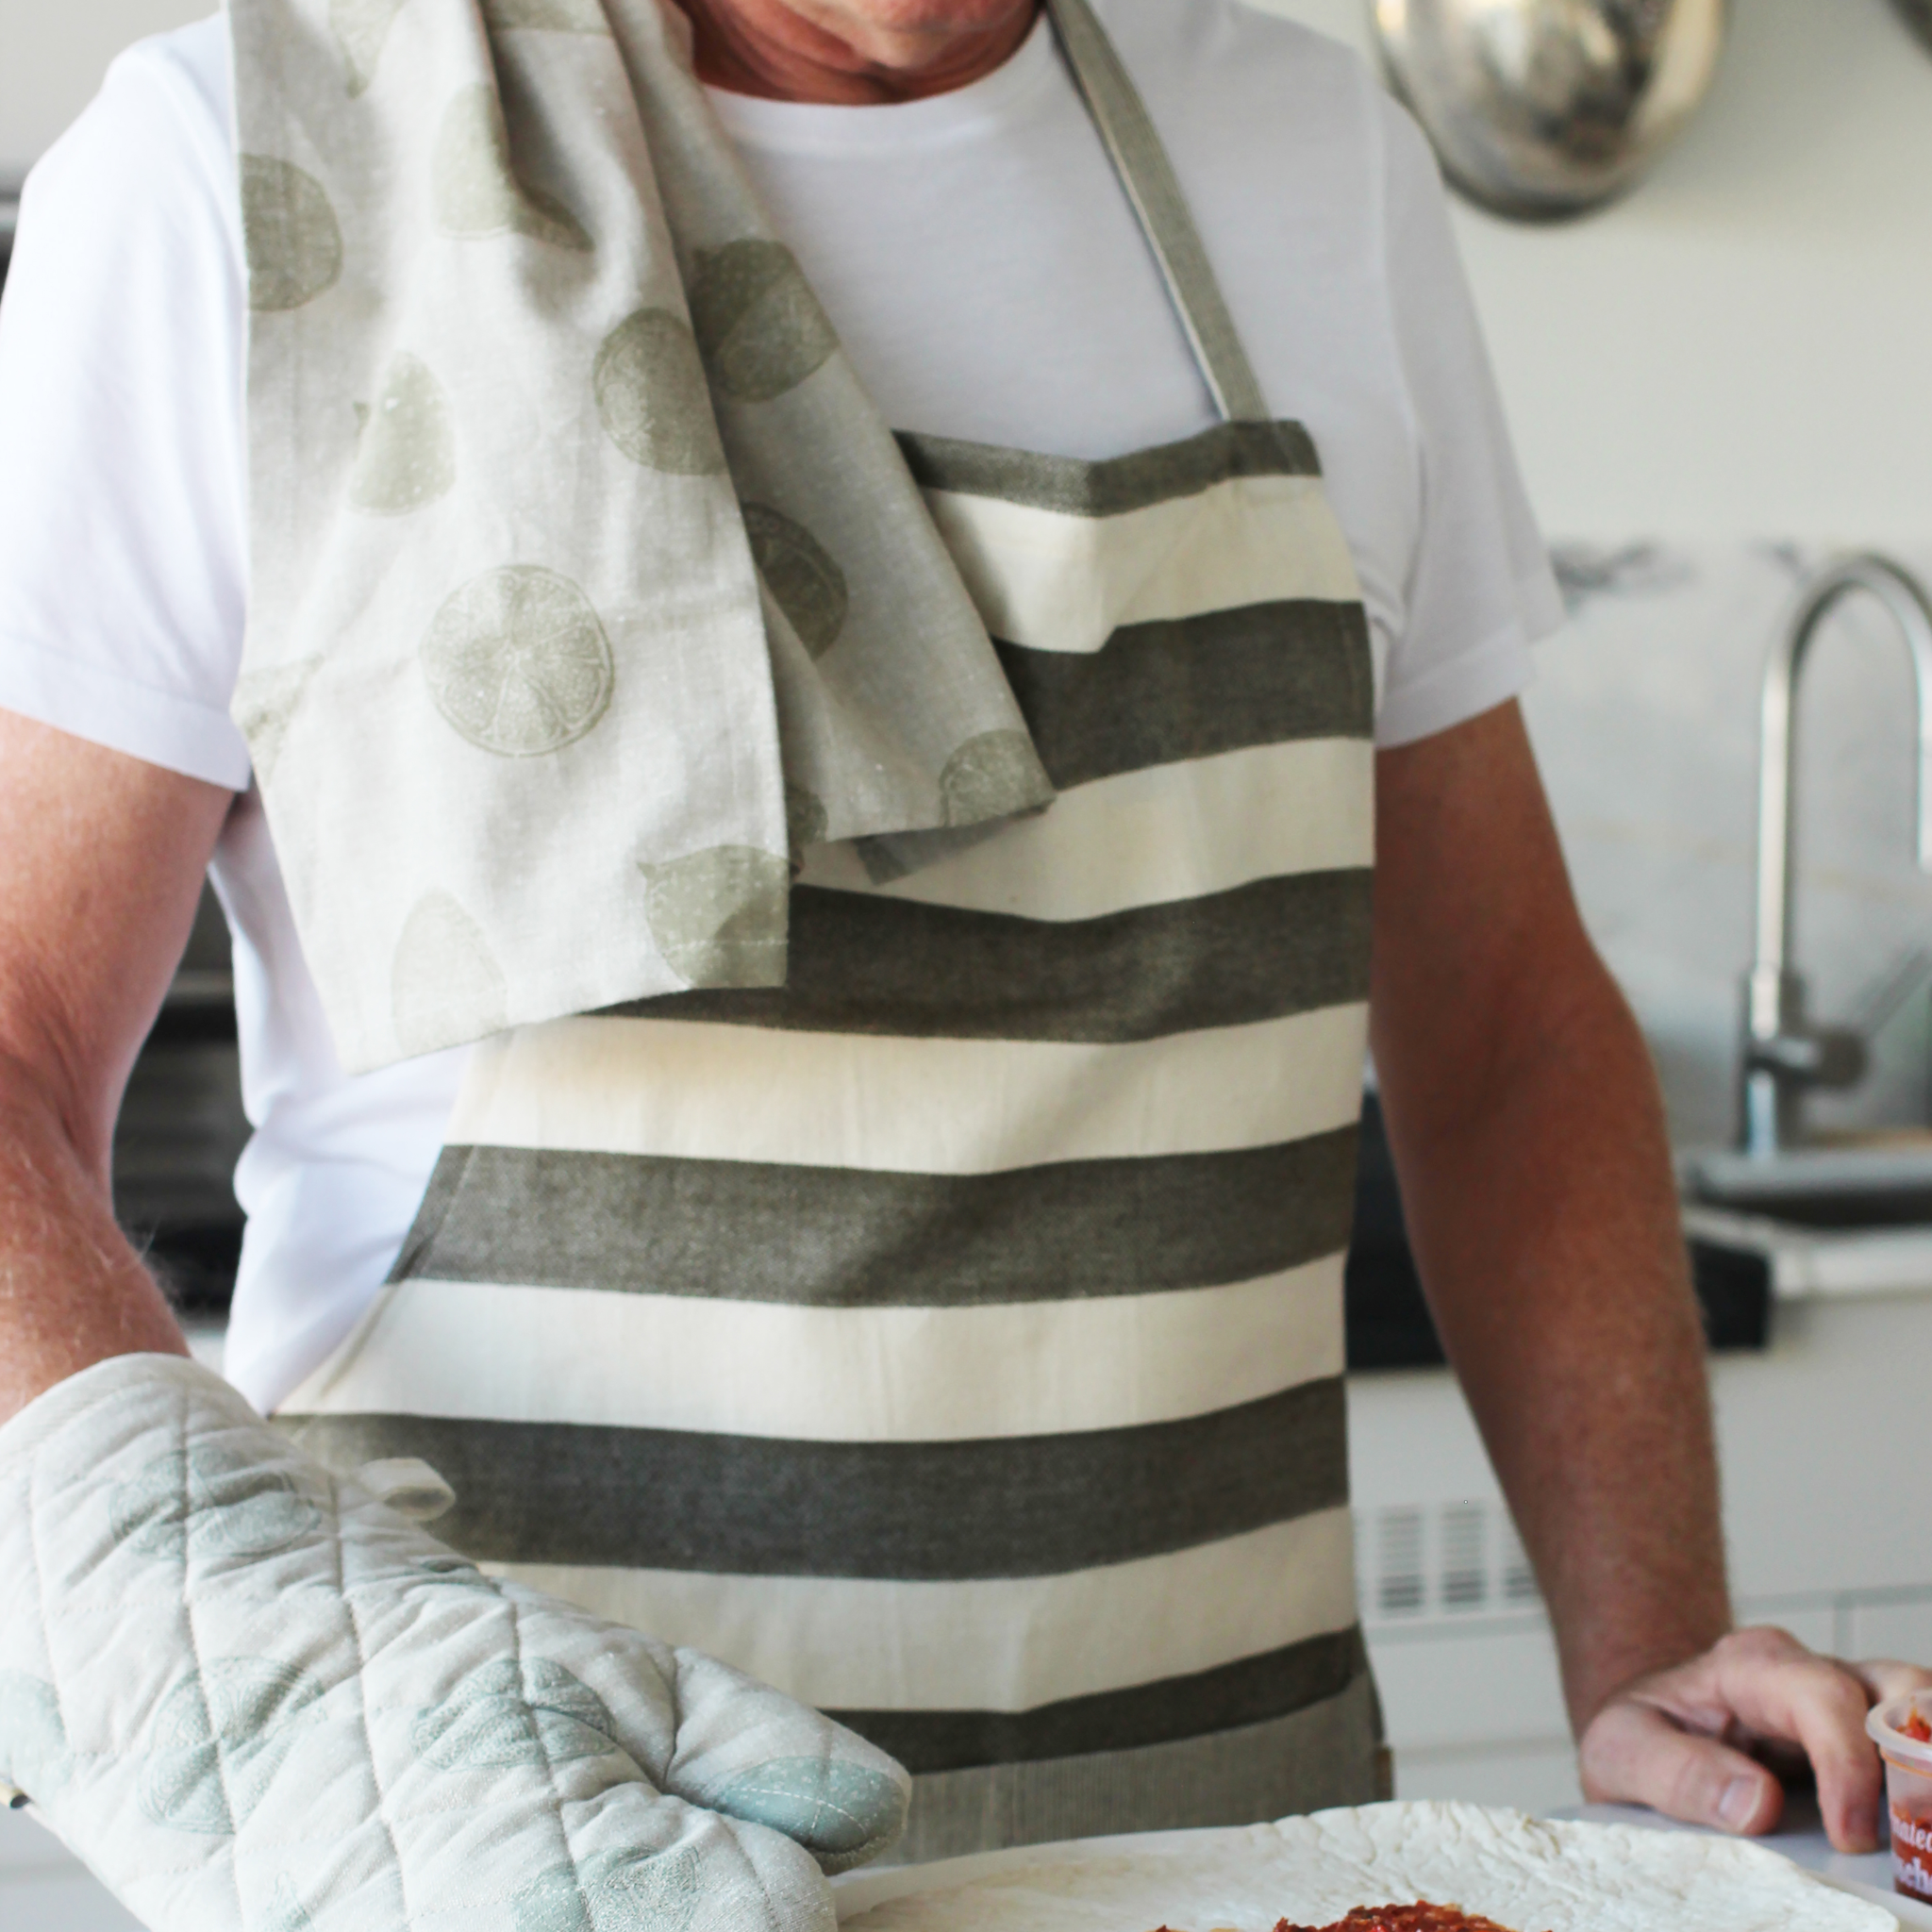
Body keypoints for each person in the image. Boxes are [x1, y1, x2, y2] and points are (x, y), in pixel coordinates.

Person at [0, 0, 1921, 1922]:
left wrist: (1649, 1659)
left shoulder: (1317, 169)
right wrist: (274, 1677)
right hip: (532, 1882)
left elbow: (1505, 1025)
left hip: (1248, 1859)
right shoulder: (235, 173)